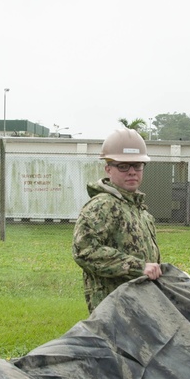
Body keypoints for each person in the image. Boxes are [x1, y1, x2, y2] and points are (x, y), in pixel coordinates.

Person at [72, 129, 162, 312]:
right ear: (108, 169)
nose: (131, 172)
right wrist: (138, 267)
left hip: (140, 303)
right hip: (114, 307)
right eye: (123, 166)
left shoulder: (138, 209)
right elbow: (84, 251)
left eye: (137, 166)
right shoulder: (102, 206)